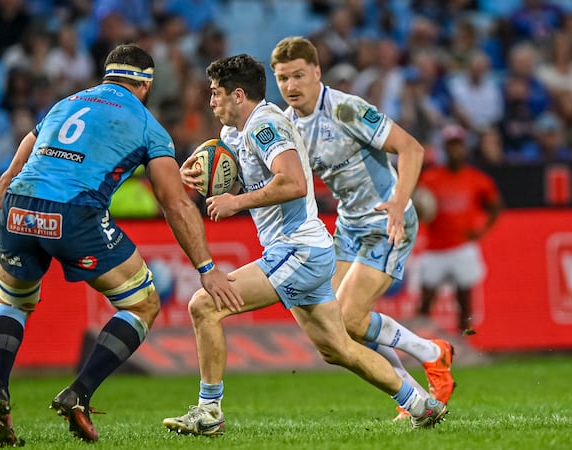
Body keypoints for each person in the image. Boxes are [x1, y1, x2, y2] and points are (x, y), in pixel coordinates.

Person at [162, 53, 447, 436]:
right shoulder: (234, 133)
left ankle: (209, 410)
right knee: (337, 348)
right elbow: (245, 176)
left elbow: (294, 182)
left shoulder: (265, 126)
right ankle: (420, 405)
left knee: (204, 305)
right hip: (301, 251)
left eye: (216, 93)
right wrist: (199, 173)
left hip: (298, 250)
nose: (211, 101)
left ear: (238, 95)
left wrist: (236, 202)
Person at [0, 43, 241, 446]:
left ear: (108, 75)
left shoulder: (62, 106)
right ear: (146, 85)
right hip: (74, 213)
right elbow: (174, 203)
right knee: (142, 304)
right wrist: (206, 268)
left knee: (11, 303)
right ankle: (78, 393)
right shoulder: (148, 125)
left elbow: (13, 170)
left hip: (17, 208)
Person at [269, 36, 455, 421]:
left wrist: (399, 203)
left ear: (317, 72)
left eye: (298, 75)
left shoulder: (346, 109)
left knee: (350, 318)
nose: (291, 85)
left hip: (386, 221)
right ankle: (416, 397)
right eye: (283, 78)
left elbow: (412, 148)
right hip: (349, 226)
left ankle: (432, 353)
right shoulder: (288, 125)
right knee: (337, 326)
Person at [417, 124, 502, 333]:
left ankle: (466, 341)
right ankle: (418, 342)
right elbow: (418, 206)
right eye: (451, 145)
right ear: (445, 148)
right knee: (425, 301)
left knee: (465, 301)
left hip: (462, 246)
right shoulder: (430, 178)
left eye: (458, 145)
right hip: (435, 247)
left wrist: (483, 230)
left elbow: (495, 206)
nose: (455, 149)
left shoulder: (477, 179)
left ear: (465, 147)